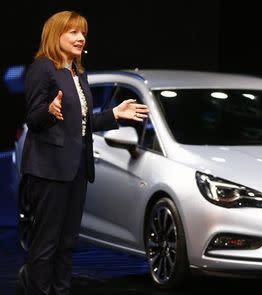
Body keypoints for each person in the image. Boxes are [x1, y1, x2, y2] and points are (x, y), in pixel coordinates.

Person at [18, 10, 149, 295]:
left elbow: (83, 124)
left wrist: (114, 114)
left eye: (83, 33)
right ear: (56, 35)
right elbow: (34, 118)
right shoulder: (43, 68)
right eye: (73, 32)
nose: (80, 38)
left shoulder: (77, 72)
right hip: (49, 170)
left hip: (76, 169)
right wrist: (49, 112)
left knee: (67, 243)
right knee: (46, 243)